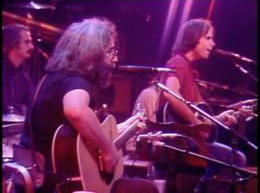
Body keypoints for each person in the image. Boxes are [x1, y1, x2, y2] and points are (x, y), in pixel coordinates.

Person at [19, 17, 158, 193]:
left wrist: (123, 128)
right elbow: (76, 111)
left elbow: (77, 139)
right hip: (59, 183)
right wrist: (108, 151)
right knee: (146, 189)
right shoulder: (76, 82)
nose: (115, 58)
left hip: (45, 177)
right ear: (93, 54)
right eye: (111, 51)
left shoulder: (52, 79)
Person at [158, 18, 247, 193]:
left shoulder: (190, 70)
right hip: (182, 142)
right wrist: (197, 123)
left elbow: (198, 114)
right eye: (208, 38)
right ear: (194, 38)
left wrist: (221, 119)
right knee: (237, 159)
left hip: (191, 140)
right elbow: (170, 94)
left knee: (233, 159)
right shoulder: (178, 63)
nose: (213, 44)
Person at [3, 24, 34, 115]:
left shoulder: (24, 78)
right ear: (13, 44)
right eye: (27, 42)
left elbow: (33, 105)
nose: (32, 46)